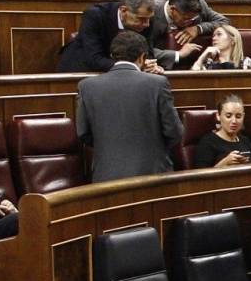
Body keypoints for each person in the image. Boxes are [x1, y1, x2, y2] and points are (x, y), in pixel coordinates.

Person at [75, 31, 182, 184]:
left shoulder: (87, 86)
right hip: (152, 175)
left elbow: (84, 133)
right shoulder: (157, 83)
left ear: (112, 55)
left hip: (105, 177)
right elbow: (174, 132)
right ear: (142, 57)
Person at [59, 0, 163, 74]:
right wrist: (131, 66)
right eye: (141, 19)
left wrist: (151, 65)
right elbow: (94, 59)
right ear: (124, 10)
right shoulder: (95, 15)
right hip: (83, 70)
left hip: (126, 74)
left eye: (148, 19)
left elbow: (147, 52)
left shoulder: (146, 18)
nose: (147, 24)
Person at [189, 93, 251, 168]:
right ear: (218, 116)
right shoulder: (208, 143)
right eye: (228, 116)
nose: (234, 121)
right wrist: (225, 163)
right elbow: (200, 177)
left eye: (238, 116)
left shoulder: (246, 141)